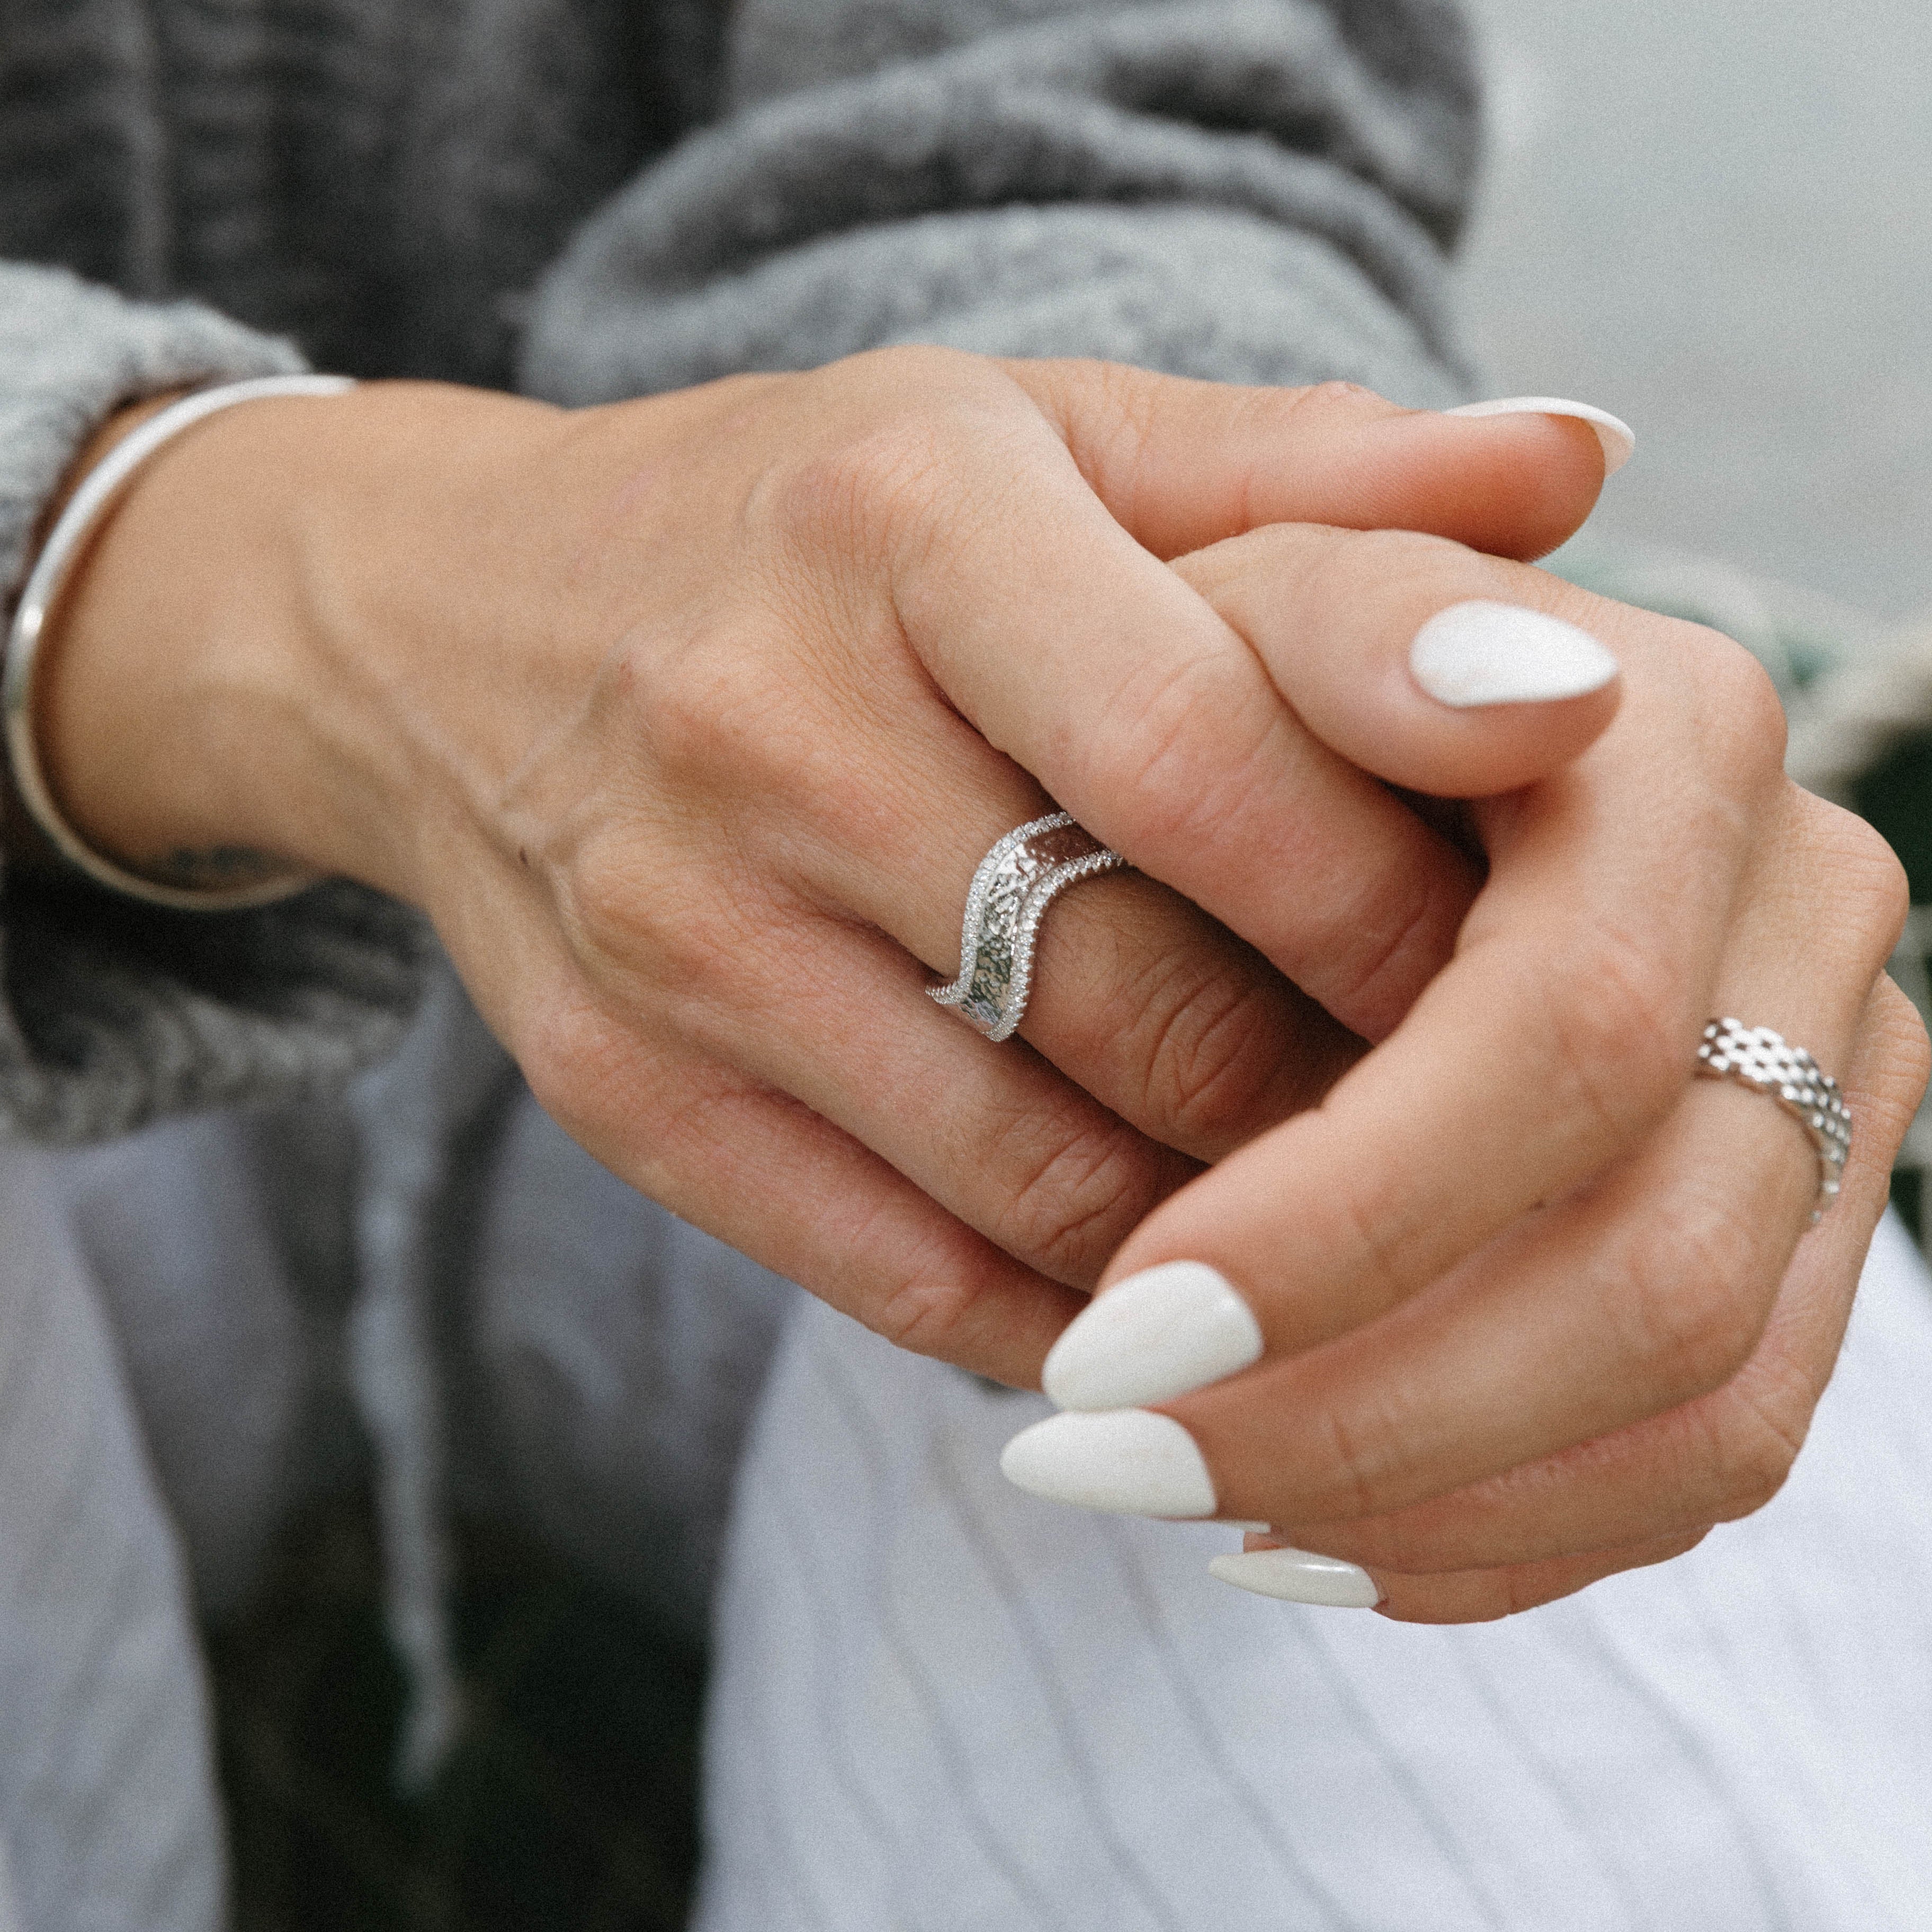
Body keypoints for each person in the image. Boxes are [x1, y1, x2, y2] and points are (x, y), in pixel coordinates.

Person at [0, 2, 1926, 1928]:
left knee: (1463, 1287)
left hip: (763, 771)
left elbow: (1099, 103)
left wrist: (1213, 626)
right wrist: (204, 549)